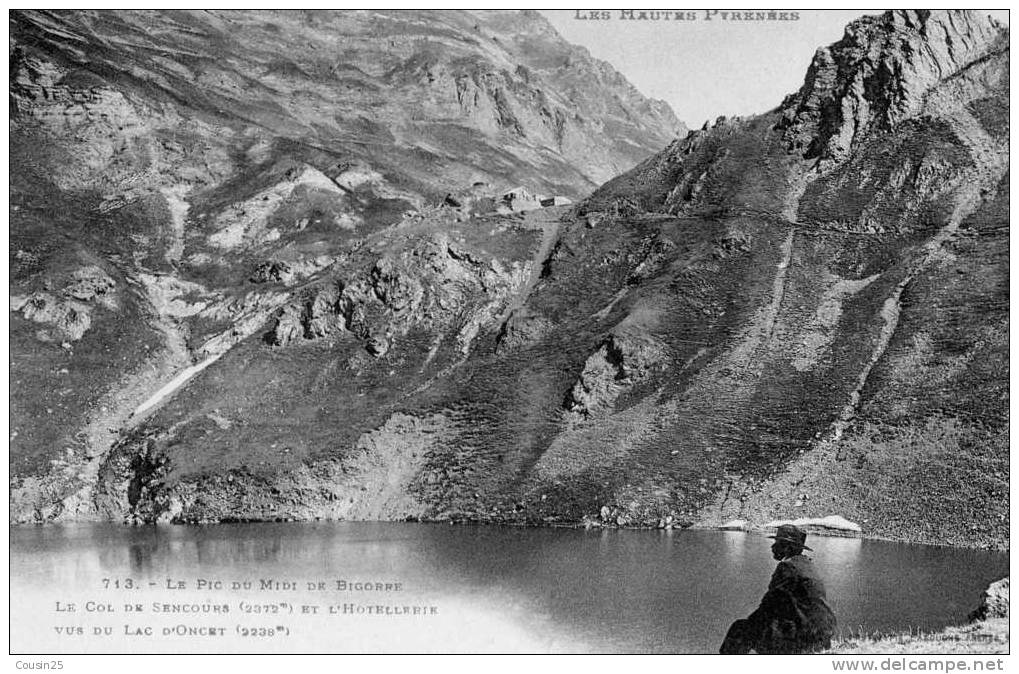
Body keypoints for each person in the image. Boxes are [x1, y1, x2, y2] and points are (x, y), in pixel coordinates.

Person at [720, 524, 837, 654]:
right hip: (824, 633)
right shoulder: (807, 564)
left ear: (787, 547)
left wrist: (750, 626)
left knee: (739, 629)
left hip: (806, 635)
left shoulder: (787, 567)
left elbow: (768, 605)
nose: (772, 547)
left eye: (777, 543)